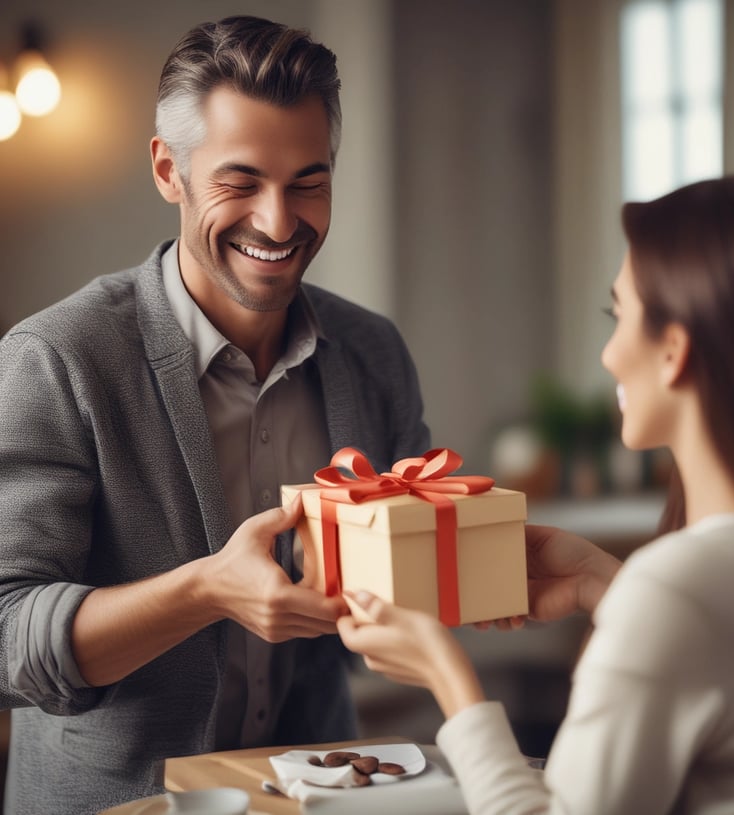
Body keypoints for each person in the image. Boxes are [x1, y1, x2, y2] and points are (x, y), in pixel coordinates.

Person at [0, 15, 430, 815]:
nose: (278, 220)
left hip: (321, 797)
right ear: (170, 170)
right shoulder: (55, 358)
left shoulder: (373, 354)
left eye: (309, 179)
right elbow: (6, 637)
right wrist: (205, 591)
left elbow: (406, 595)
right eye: (241, 181)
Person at [338, 176, 734, 814]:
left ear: (674, 349)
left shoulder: (677, 590)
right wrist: (604, 583)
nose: (609, 353)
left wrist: (448, 678)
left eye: (618, 315)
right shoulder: (714, 577)